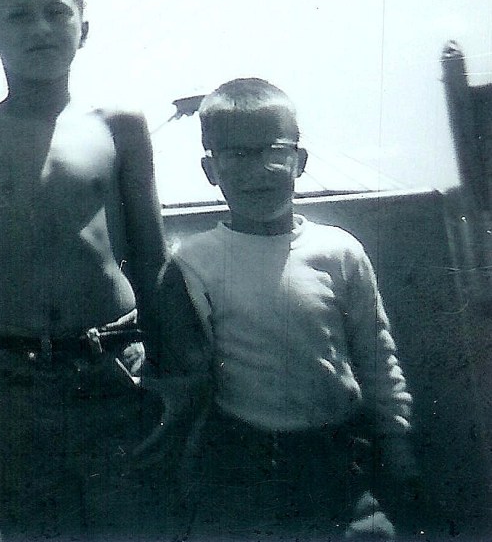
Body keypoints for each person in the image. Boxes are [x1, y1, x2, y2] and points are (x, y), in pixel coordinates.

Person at [0, 0, 171, 540]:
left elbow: (153, 263)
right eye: (19, 14)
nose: (40, 27)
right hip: (15, 385)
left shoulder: (121, 128)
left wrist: (182, 377)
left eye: (57, 11)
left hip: (117, 367)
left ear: (85, 28)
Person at [147, 77, 417, 540]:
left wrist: (396, 439)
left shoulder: (339, 251)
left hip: (341, 451)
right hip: (245, 460)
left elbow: (376, 355)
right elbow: (190, 379)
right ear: (211, 169)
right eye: (236, 155)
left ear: (300, 161)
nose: (258, 170)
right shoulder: (195, 262)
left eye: (274, 150)